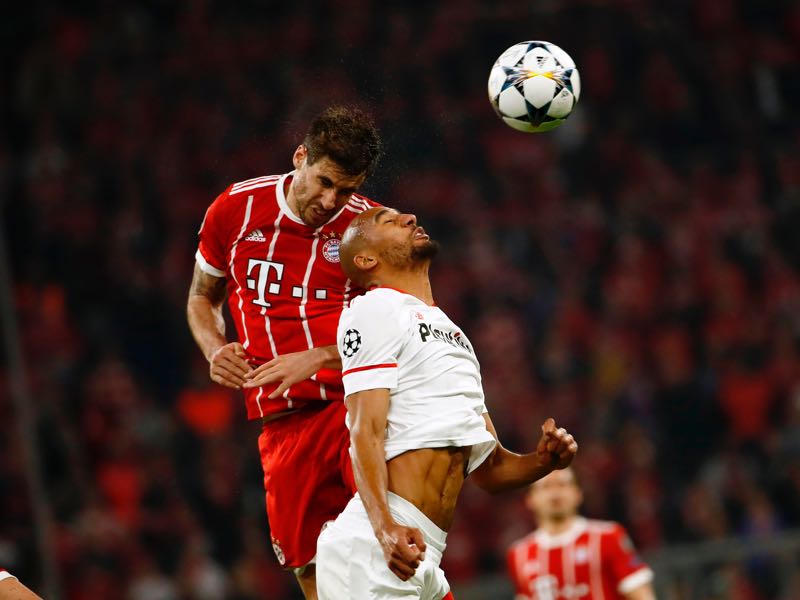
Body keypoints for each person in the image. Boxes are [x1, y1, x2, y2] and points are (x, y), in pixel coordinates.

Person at [315, 207, 579, 600]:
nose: (408, 217)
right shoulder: (373, 308)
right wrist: (383, 527)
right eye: (389, 221)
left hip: (424, 553)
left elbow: (490, 469)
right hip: (375, 548)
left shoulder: (454, 335)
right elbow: (362, 429)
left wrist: (545, 461)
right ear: (367, 260)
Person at [186, 105, 382, 599]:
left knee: (390, 545)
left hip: (354, 408)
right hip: (281, 422)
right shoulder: (234, 210)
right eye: (324, 181)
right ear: (300, 157)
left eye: (346, 189)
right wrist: (214, 347)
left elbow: (400, 327)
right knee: (313, 571)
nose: (331, 199)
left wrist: (320, 356)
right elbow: (201, 297)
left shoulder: (370, 229)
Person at [506, 468, 655, 600]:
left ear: (578, 494)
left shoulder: (607, 536)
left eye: (562, 485)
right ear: (530, 499)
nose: (555, 494)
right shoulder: (519, 554)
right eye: (545, 487)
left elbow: (641, 594)